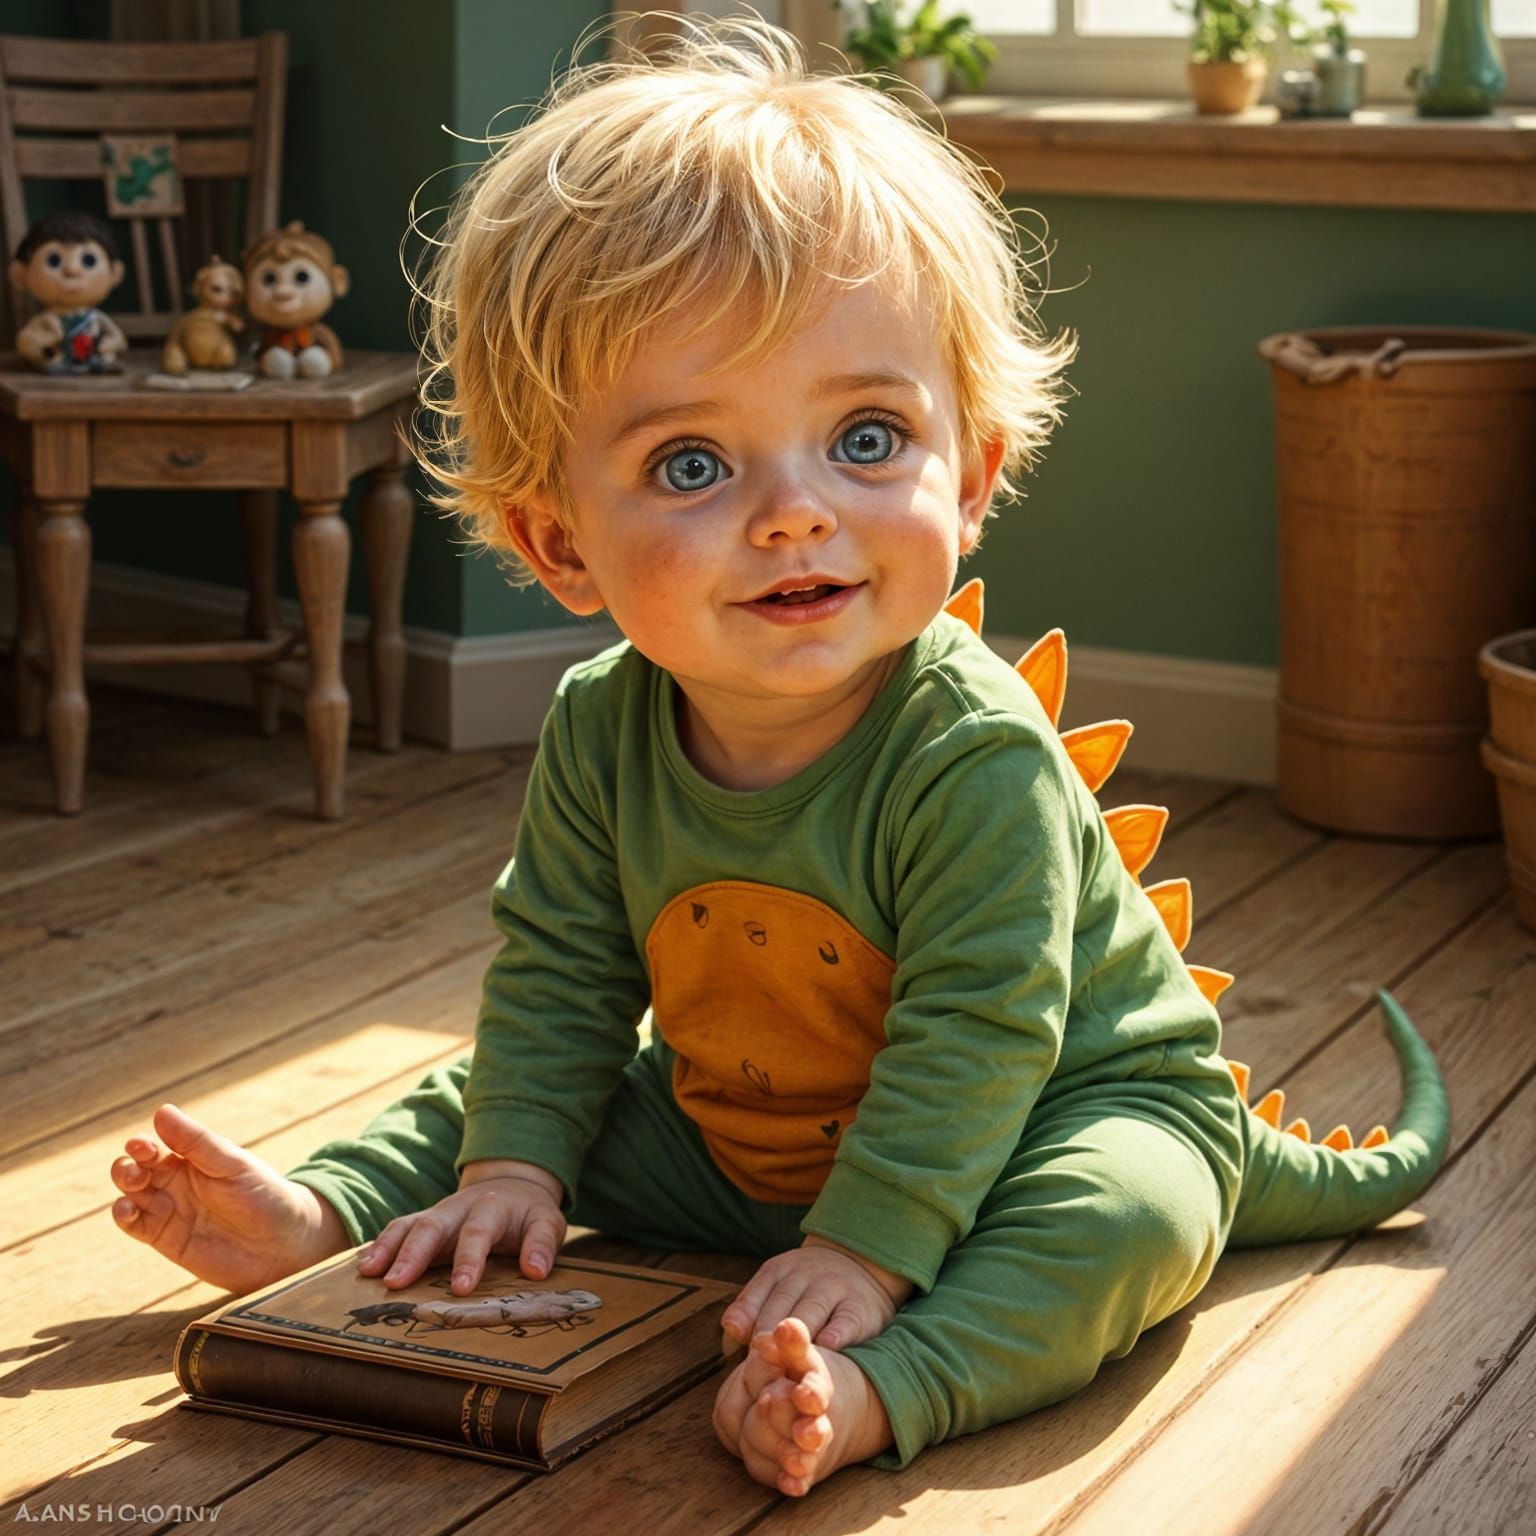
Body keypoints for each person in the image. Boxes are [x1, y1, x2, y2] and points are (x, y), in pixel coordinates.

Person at [109, 14, 1447, 1498]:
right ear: (562, 544)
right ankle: (326, 1216)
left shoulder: (971, 752)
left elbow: (981, 1035)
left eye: (867, 437)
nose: (795, 510)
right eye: (693, 464)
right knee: (502, 1096)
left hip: (1045, 1117)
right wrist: (513, 1171)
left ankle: (889, 1389)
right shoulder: (597, 728)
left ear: (976, 472)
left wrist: (868, 1255)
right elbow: (560, 974)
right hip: (743, 1142)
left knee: (1129, 1211)